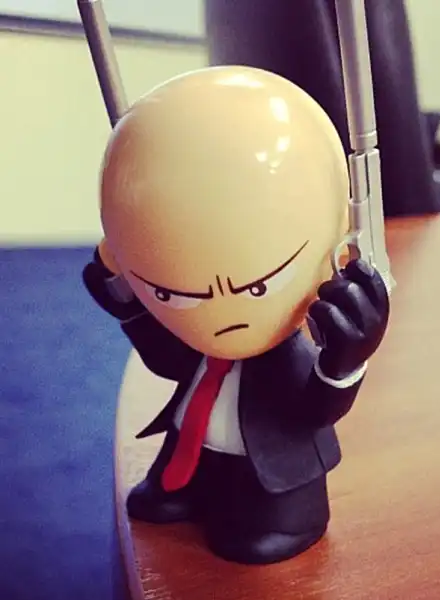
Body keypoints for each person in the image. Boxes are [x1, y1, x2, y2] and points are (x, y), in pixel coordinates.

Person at [83, 65, 389, 565]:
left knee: (257, 528)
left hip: (273, 481)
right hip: (194, 457)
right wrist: (127, 301)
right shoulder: (197, 343)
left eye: (256, 286)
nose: (220, 309)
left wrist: (346, 360)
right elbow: (166, 360)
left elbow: (315, 409)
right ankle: (189, 490)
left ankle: (281, 520)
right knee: (177, 489)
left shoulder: (285, 355)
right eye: (176, 293)